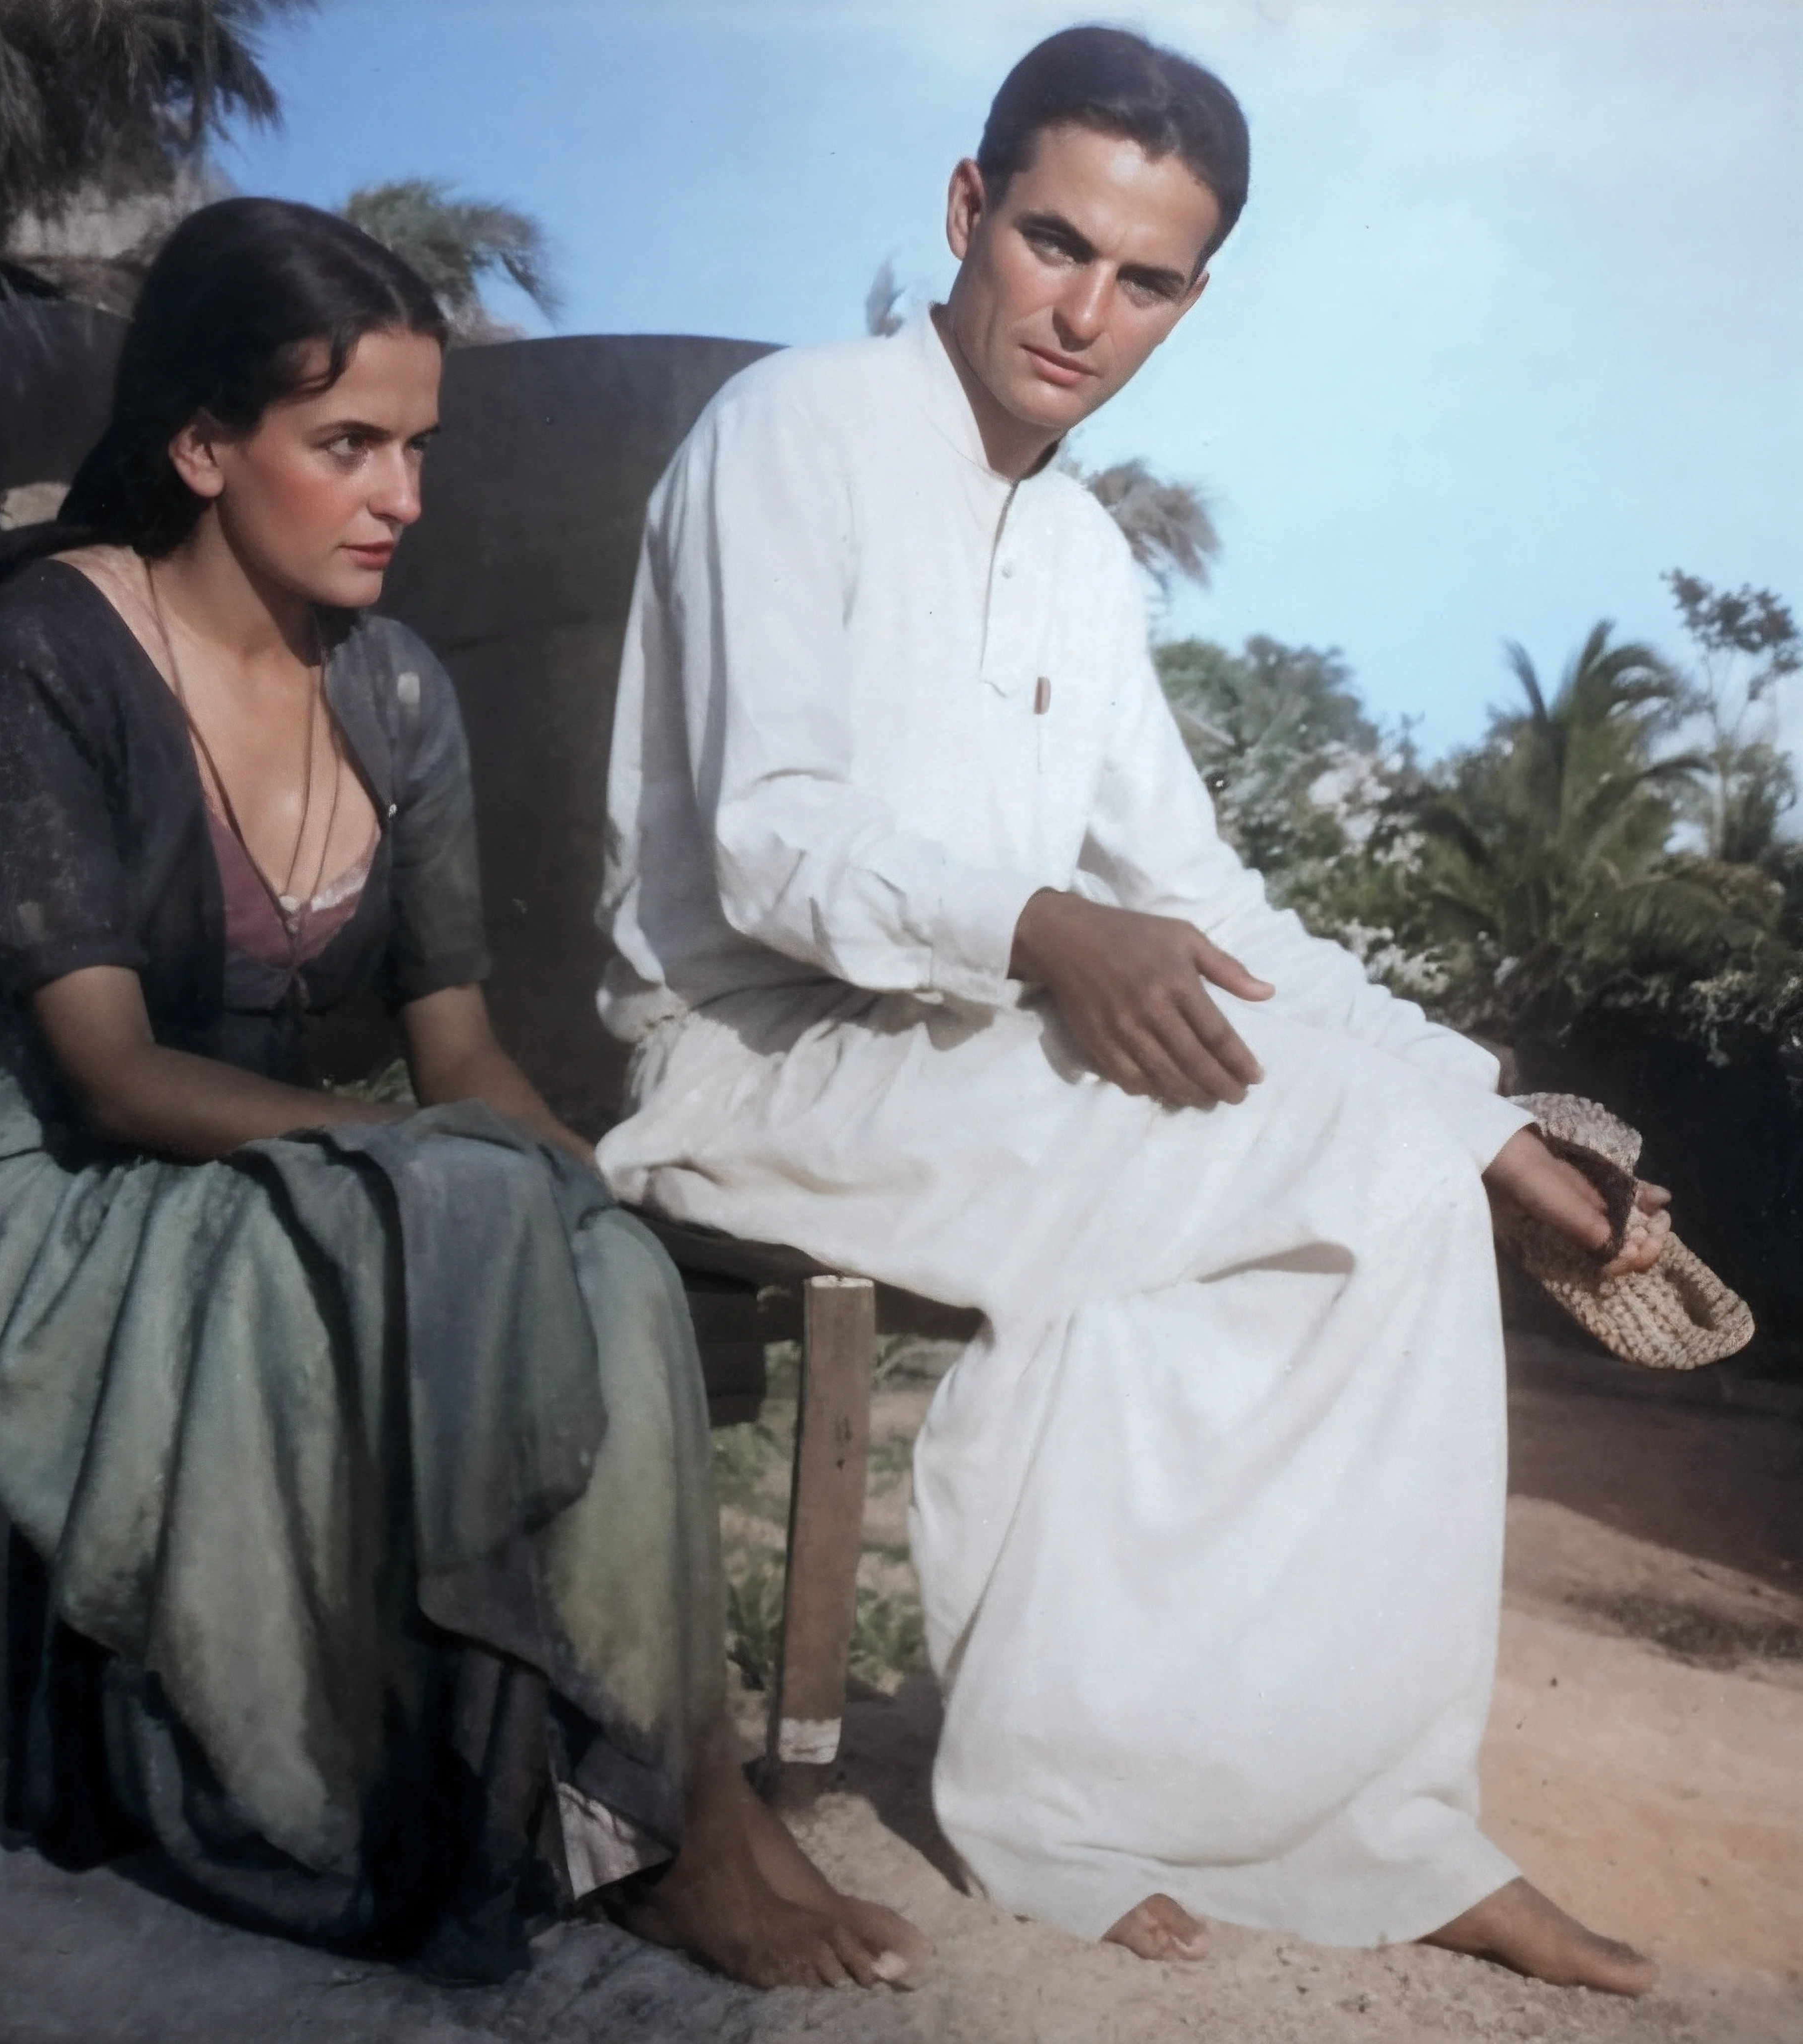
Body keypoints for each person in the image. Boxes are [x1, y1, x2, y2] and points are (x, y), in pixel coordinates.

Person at [596, 27, 1671, 1996]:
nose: (1083, 314)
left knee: (1390, 1171)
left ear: (1194, 295)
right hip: (754, 1066)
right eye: (1051, 243)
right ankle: (1106, 1797)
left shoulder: (1083, 556)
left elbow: (1209, 908)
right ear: (964, 212)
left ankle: (1339, 1813)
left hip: (969, 1063)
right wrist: (1046, 935)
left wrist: (1487, 1118)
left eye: (1145, 278)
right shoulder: (795, 430)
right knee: (1330, 1160)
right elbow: (772, 846)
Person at [0, 196, 924, 1994]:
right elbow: (102, 1068)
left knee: (602, 1262)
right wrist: (438, 1164)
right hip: (44, 1166)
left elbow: (464, 1055)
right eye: (347, 446)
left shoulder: (401, 695)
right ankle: (543, 1814)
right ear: (202, 446)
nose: (401, 498)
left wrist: (601, 1196)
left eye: (417, 448)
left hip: (252, 1152)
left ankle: (661, 1800)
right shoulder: (59, 646)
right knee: (472, 1202)